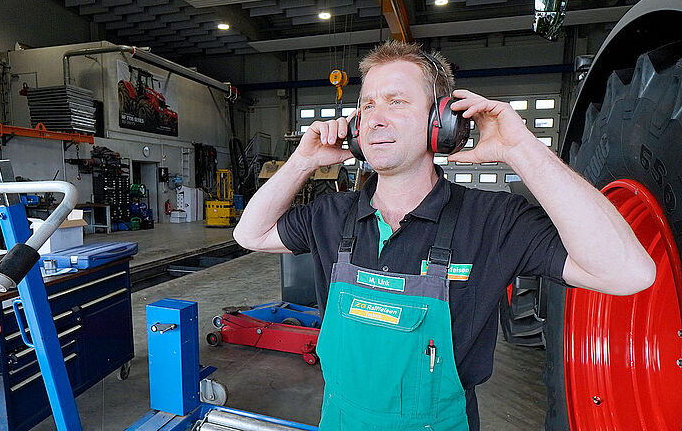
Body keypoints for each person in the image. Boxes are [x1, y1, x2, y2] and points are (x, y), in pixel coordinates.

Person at [233, 40, 655, 430]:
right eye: (367, 105)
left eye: (396, 102)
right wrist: (303, 161)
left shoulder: (491, 221)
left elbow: (627, 272)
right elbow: (250, 234)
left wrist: (521, 149)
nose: (375, 118)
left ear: (443, 121)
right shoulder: (331, 215)